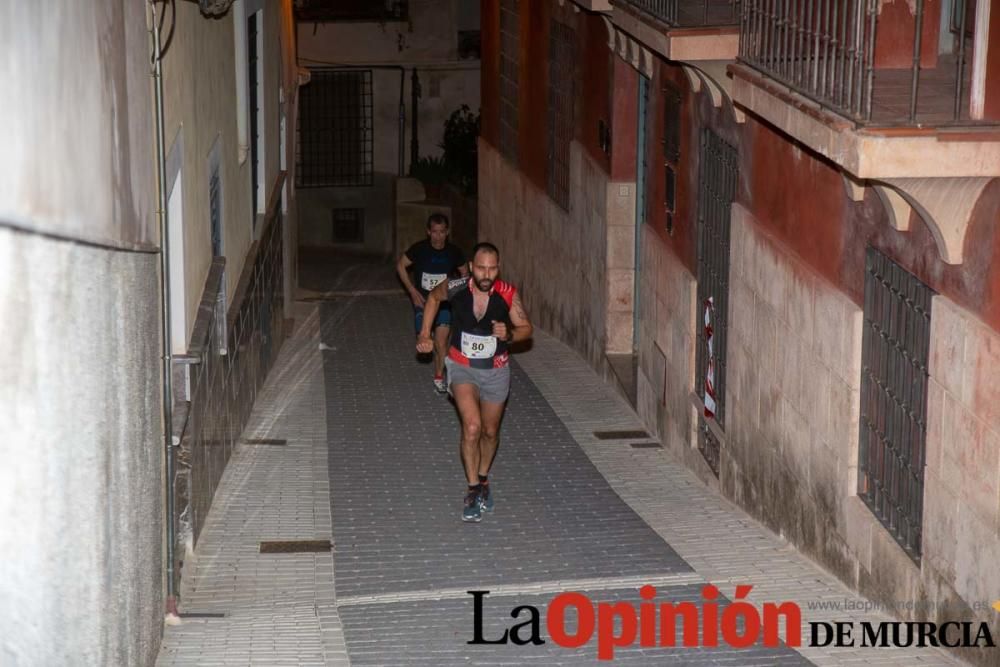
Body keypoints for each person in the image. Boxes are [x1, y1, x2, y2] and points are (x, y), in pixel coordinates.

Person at [417, 242, 533, 522]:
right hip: (462, 367)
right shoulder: (456, 286)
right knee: (472, 427)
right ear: (471, 267)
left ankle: (482, 479)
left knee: (490, 432)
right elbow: (433, 298)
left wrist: (508, 335)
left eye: (492, 268)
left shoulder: (507, 294)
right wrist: (424, 334)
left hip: (496, 370)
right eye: (481, 267)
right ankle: (471, 490)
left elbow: (526, 329)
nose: (486, 274)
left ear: (498, 268)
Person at [397, 213, 467, 393]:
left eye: (442, 232)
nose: (438, 236)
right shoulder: (419, 249)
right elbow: (400, 266)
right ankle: (438, 365)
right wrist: (411, 290)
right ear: (428, 232)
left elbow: (465, 274)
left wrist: (458, 296)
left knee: (441, 341)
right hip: (423, 302)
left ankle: (438, 376)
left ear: (447, 232)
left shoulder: (454, 251)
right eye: (435, 232)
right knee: (425, 338)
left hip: (443, 302)